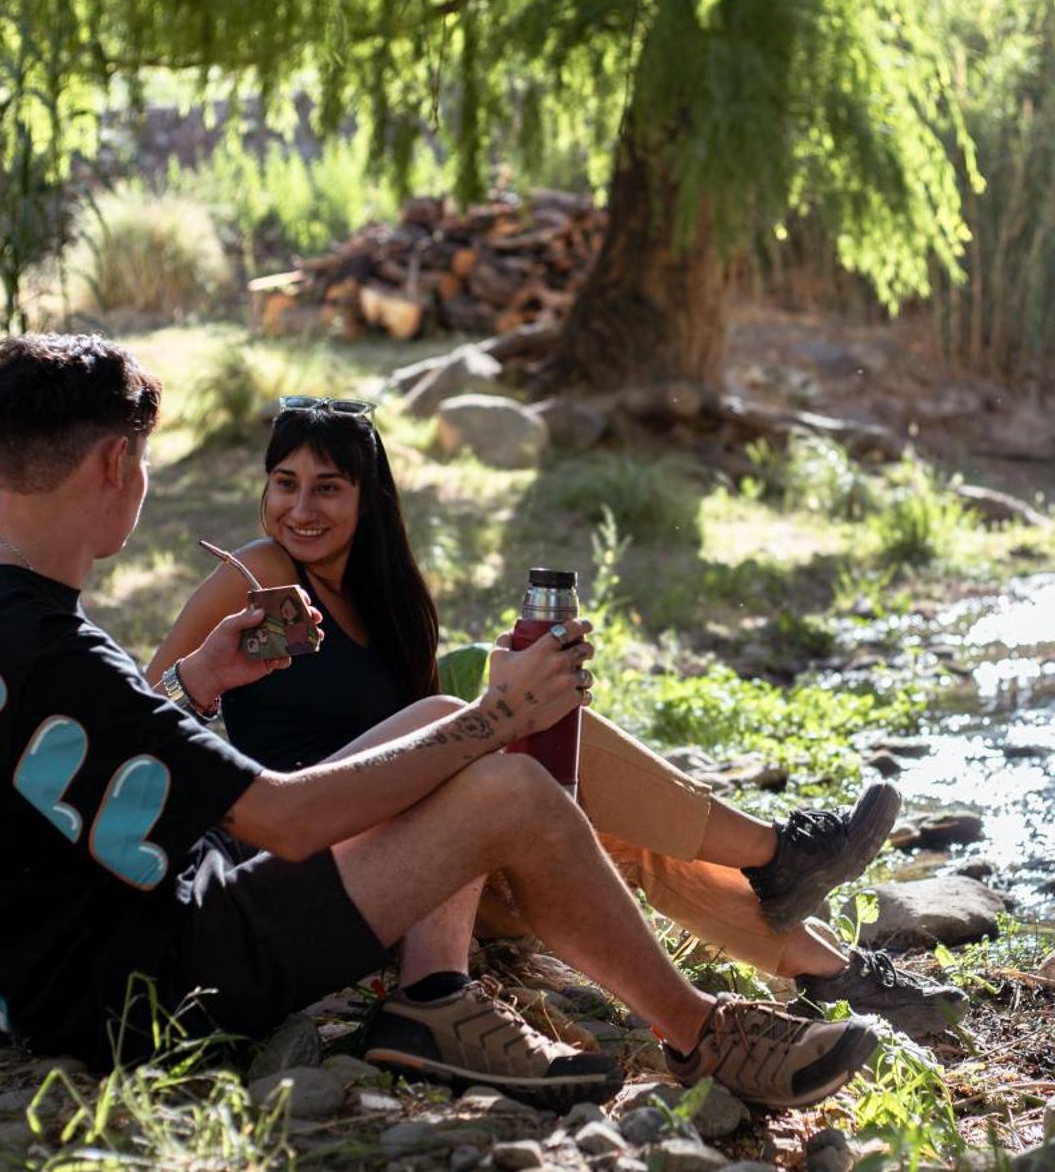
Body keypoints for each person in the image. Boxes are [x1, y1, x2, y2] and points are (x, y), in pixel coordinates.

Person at [0, 333, 882, 1113]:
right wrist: (501, 717)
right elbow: (276, 817)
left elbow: (69, 752)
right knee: (506, 781)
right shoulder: (68, 654)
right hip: (151, 981)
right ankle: (700, 1033)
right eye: (142, 464)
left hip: (53, 958)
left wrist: (199, 677)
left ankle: (436, 998)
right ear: (114, 463)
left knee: (443, 713)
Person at [144, 395, 967, 1034]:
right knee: (509, 753)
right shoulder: (253, 575)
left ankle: (835, 972)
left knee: (621, 842)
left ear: (368, 497)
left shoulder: (389, 601)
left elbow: (431, 744)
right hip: (322, 865)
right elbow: (149, 714)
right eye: (284, 483)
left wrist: (529, 691)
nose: (301, 508)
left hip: (424, 866)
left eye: (328, 485)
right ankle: (779, 855)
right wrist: (210, 671)